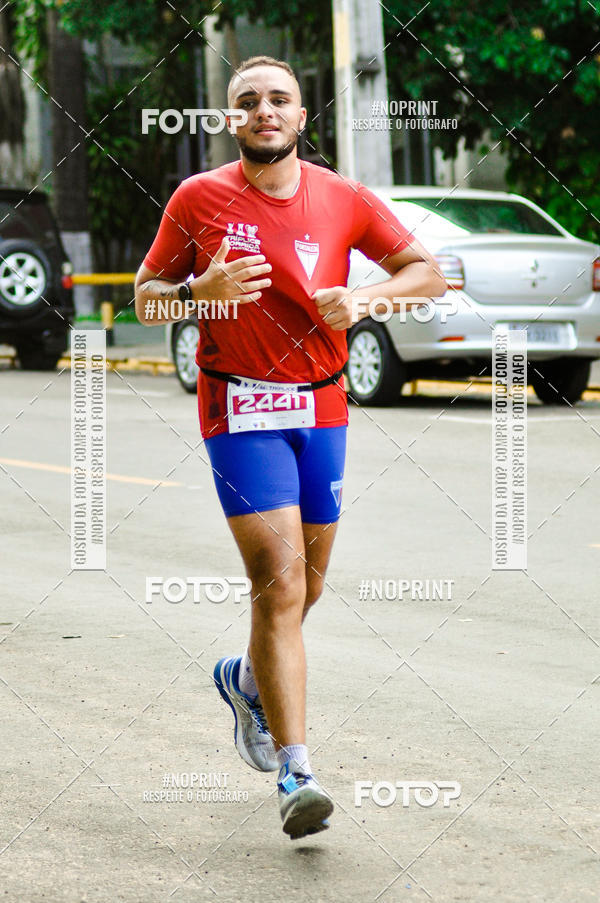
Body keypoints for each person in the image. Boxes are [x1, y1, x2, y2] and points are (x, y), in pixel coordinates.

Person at [135, 55, 446, 840]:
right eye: (248, 102)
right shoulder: (196, 198)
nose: (264, 110)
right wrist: (192, 296)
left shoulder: (341, 197)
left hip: (324, 403)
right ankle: (297, 769)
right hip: (237, 407)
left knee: (306, 588)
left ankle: (244, 681)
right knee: (277, 585)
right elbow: (140, 299)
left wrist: (368, 297)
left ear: (303, 116)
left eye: (280, 99)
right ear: (229, 119)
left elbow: (427, 272)